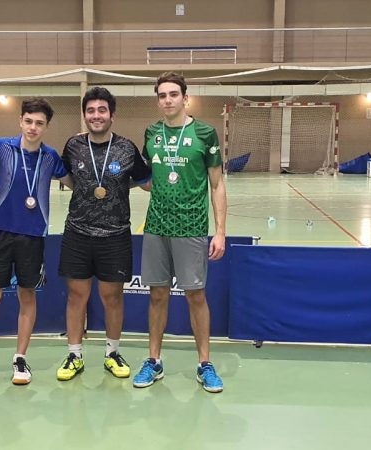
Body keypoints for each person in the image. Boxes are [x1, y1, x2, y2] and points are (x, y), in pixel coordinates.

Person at [0, 98, 71, 386]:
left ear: (46, 126)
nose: (33, 127)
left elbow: (74, 181)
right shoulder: (1, 148)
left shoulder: (50, 157)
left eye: (39, 123)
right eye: (28, 121)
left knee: (27, 295)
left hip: (33, 235)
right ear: (20, 120)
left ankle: (20, 359)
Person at [133, 72, 228, 393]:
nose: (168, 100)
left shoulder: (205, 133)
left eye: (173, 94)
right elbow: (148, 180)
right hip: (156, 226)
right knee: (157, 295)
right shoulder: (151, 133)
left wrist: (220, 231)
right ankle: (154, 361)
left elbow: (217, 184)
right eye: (162, 95)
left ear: (185, 98)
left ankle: (205, 364)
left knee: (195, 295)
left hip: (191, 227)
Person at [55, 87, 152, 381]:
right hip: (78, 232)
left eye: (102, 110)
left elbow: (147, 182)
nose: (96, 116)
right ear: (85, 115)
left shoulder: (126, 148)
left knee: (112, 297)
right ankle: (74, 355)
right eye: (91, 110)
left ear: (112, 115)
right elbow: (67, 178)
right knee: (77, 296)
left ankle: (112, 353)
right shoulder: (73, 145)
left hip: (115, 235)